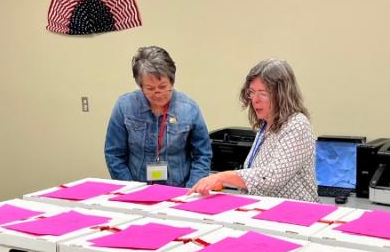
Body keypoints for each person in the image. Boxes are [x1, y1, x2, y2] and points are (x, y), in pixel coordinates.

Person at [191, 59, 317, 202]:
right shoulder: (265, 125)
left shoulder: (297, 124)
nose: (255, 100)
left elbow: (274, 177)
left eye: (263, 93)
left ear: (282, 95)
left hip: (296, 215)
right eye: (252, 92)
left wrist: (224, 177)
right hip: (267, 211)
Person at [104, 46, 212, 187]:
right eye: (150, 88)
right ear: (140, 86)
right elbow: (114, 155)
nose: (157, 93)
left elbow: (202, 155)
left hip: (178, 190)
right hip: (136, 189)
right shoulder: (125, 106)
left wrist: (188, 192)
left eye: (163, 86)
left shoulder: (189, 109)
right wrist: (130, 189)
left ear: (172, 81)